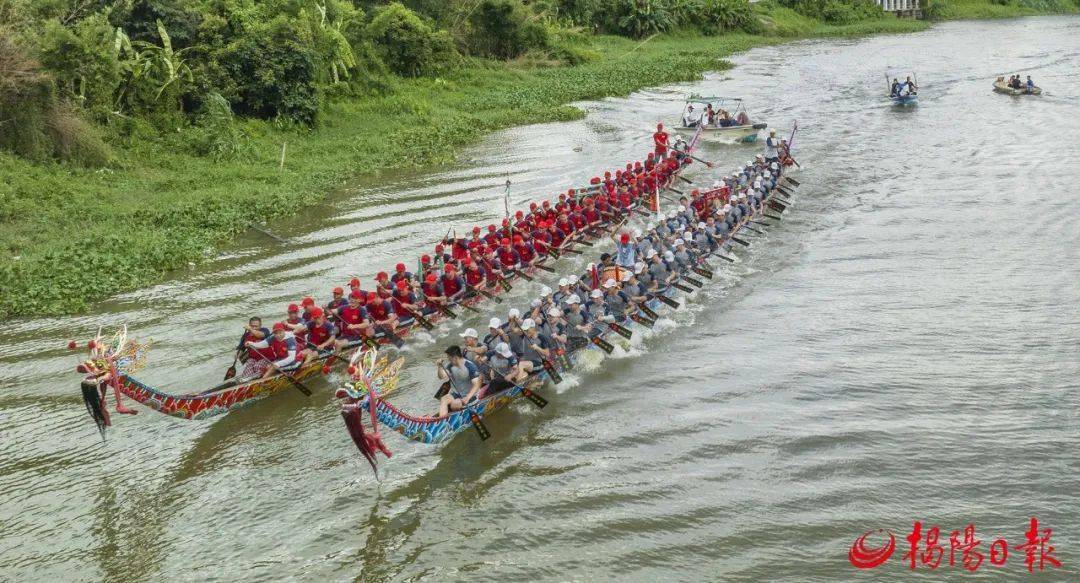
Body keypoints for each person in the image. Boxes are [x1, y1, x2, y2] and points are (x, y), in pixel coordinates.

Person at [436, 346, 483, 417]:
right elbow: (441, 376)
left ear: (455, 358)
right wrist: (439, 367)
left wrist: (467, 398)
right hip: (457, 394)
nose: (448, 360)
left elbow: (476, 385)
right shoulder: (450, 365)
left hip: (471, 396)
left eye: (449, 358)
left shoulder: (470, 366)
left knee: (454, 404)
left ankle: (455, 416)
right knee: (444, 399)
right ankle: (442, 420)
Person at [511, 318, 551, 383]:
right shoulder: (525, 335)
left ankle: (518, 384)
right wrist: (513, 320)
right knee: (514, 370)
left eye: (527, 330)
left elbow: (547, 353)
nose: (525, 332)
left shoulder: (542, 337)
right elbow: (514, 330)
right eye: (524, 330)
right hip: (529, 364)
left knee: (521, 364)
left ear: (533, 328)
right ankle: (524, 382)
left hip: (539, 364)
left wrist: (537, 348)